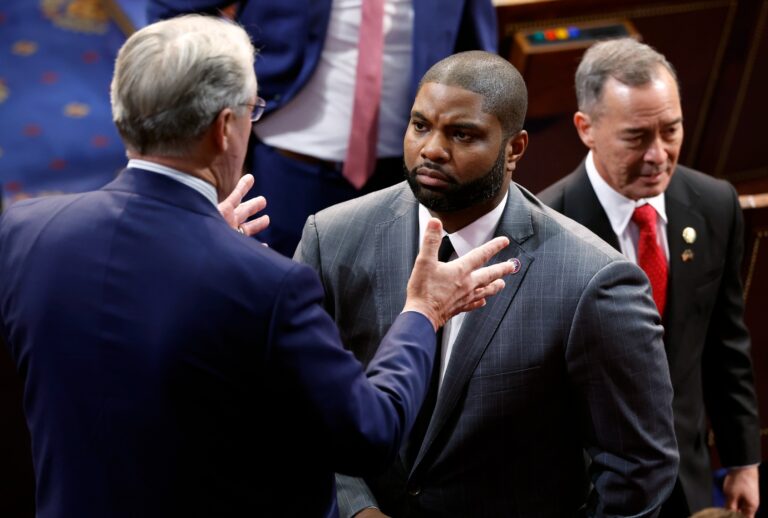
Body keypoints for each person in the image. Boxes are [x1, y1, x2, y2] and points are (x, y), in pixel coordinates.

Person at [0, 16, 517, 518]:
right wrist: (422, 312)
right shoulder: (268, 285)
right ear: (226, 128)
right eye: (254, 110)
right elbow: (370, 434)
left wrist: (200, 240)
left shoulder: (24, 231)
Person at [294, 50, 679, 517]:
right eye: (420, 126)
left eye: (462, 134)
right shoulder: (331, 238)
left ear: (514, 149)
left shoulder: (593, 280)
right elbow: (300, 404)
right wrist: (356, 507)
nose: (432, 149)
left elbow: (639, 467)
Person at [538, 38, 761, 518]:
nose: (659, 154)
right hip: (586, 490)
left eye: (671, 130)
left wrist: (743, 461)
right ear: (586, 128)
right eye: (637, 137)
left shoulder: (715, 205)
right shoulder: (543, 228)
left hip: (689, 481)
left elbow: (726, 347)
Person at [147, 0, 498, 256]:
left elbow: (478, 63)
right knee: (274, 304)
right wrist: (229, 82)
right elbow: (174, 11)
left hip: (409, 174)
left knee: (390, 308)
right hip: (292, 161)